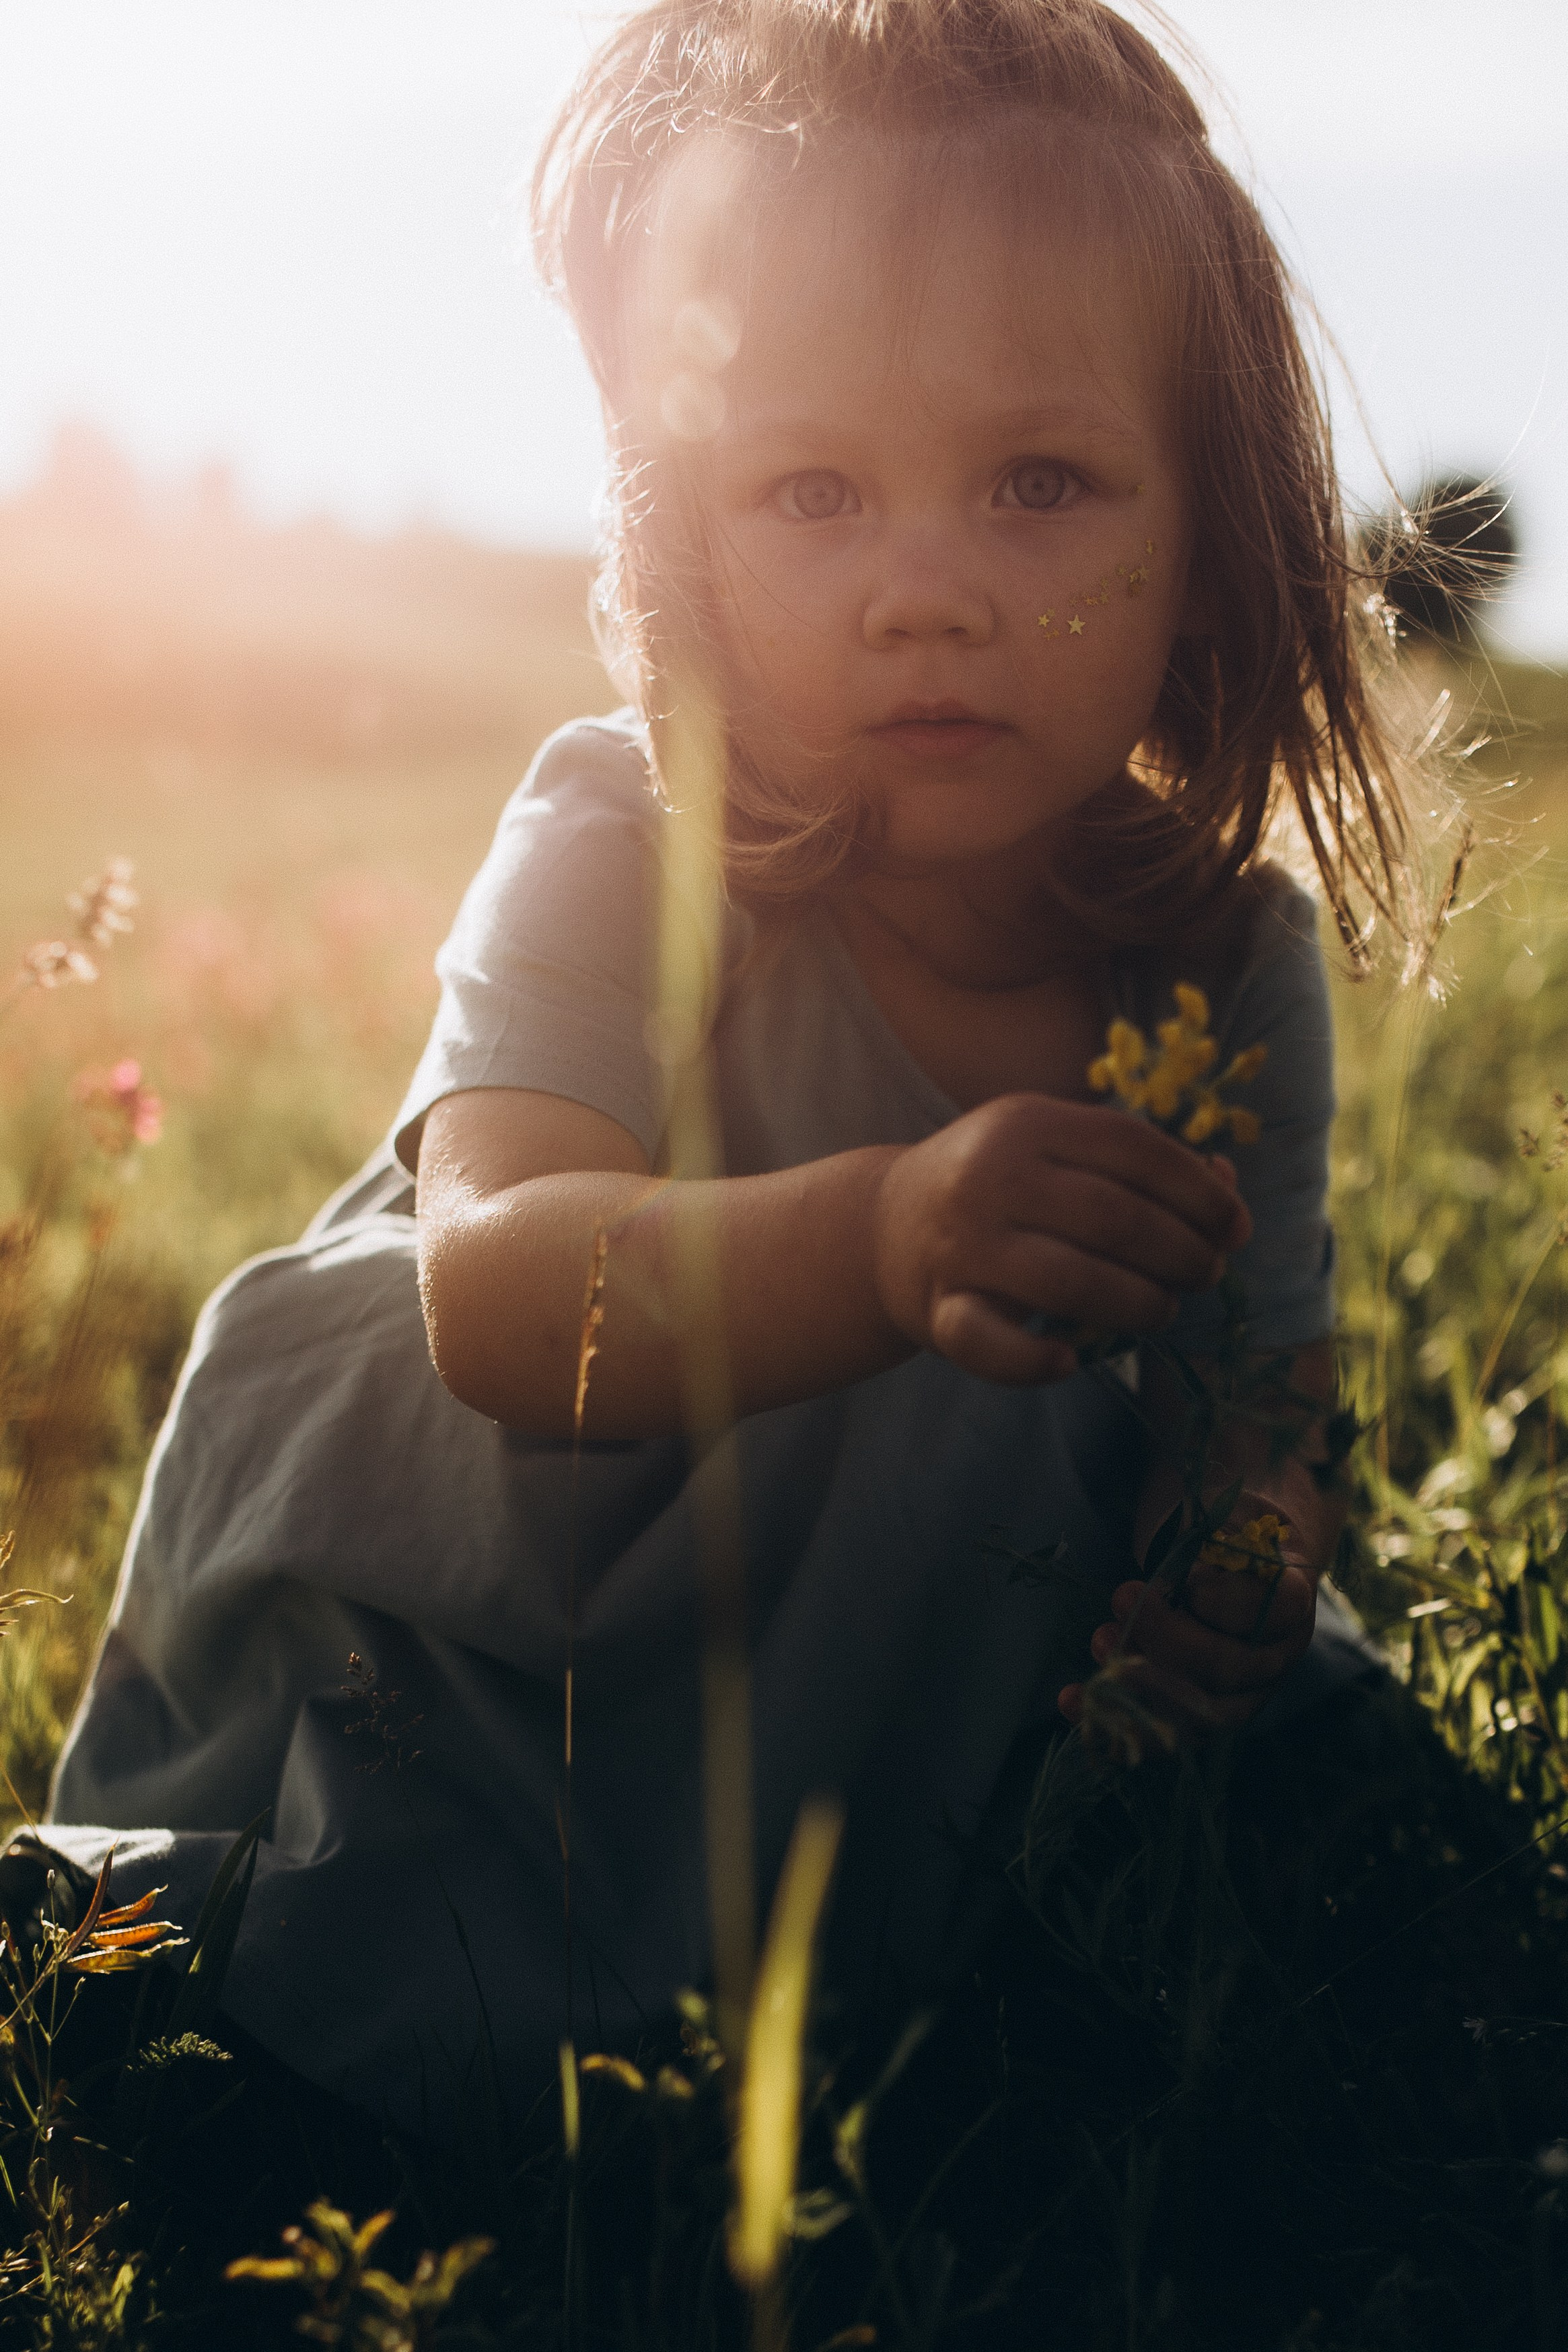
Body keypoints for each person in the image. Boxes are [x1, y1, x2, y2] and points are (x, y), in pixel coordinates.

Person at [31, 0, 1430, 2129]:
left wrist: (1240, 1560)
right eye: (812, 491)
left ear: (1209, 524)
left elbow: (1263, 1379)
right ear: (682, 527)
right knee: (312, 2025)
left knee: (1370, 1940)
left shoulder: (1223, 958)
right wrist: (879, 1230)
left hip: (902, 1662)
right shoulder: (630, 835)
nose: (923, 591)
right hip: (511, 1633)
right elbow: (493, 1285)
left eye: (1037, 481)